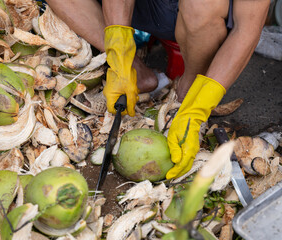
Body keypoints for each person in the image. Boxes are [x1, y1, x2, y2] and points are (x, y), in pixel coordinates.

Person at [45, 0, 270, 179]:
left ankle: (190, 86)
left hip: (202, 13)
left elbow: (247, 28)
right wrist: (119, 55)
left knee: (202, 4)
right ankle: (133, 67)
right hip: (144, 7)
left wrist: (198, 108)